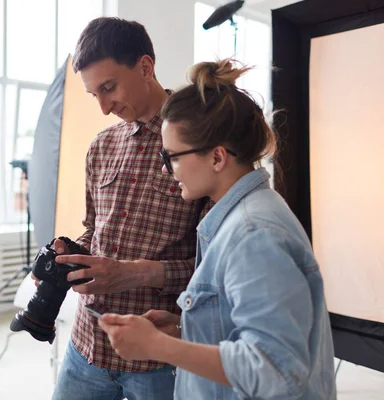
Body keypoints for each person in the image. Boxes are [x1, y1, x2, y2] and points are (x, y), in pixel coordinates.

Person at [96, 59, 337, 399]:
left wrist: (160, 347)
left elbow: (276, 371)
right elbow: (244, 330)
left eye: (173, 157)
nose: (167, 171)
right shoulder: (239, 219)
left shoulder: (254, 235)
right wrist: (185, 329)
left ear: (217, 158)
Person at [35, 17, 210, 400]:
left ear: (145, 67)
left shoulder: (199, 144)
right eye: (93, 94)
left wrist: (134, 275)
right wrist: (65, 255)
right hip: (86, 346)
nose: (103, 107)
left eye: (109, 88)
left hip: (158, 359)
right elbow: (93, 231)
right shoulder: (101, 146)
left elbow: (214, 267)